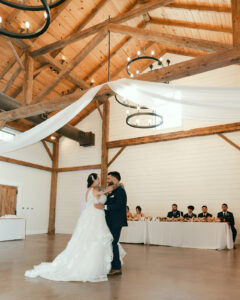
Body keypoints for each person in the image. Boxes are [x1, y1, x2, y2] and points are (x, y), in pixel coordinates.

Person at [25, 173, 125, 282]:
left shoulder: (90, 190)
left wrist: (115, 188)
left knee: (97, 240)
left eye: (108, 178)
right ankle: (99, 265)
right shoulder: (95, 190)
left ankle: (109, 265)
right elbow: (106, 192)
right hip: (96, 217)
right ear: (94, 180)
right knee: (98, 241)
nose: (102, 180)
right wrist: (118, 186)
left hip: (96, 217)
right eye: (99, 179)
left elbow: (110, 197)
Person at [95, 171, 127, 276]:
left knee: (113, 243)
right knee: (111, 243)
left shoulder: (120, 191)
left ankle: (117, 268)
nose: (107, 181)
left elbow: (119, 205)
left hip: (116, 222)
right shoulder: (112, 191)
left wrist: (104, 207)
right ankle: (112, 265)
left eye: (109, 179)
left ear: (114, 179)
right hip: (110, 221)